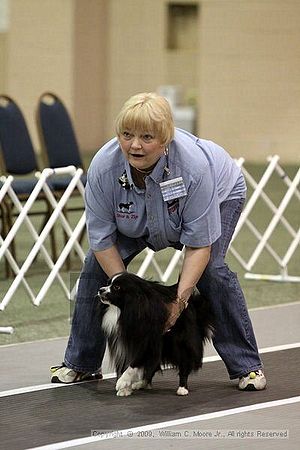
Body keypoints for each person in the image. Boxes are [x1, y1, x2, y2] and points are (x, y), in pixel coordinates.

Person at [51, 92, 266, 391]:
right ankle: (81, 363)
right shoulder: (103, 168)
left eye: (146, 137)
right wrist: (122, 289)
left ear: (165, 139)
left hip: (219, 194)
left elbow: (199, 245)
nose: (134, 145)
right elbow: (100, 240)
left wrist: (177, 304)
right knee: (92, 269)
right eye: (126, 135)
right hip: (136, 217)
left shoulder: (194, 168)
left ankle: (247, 367)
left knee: (212, 271)